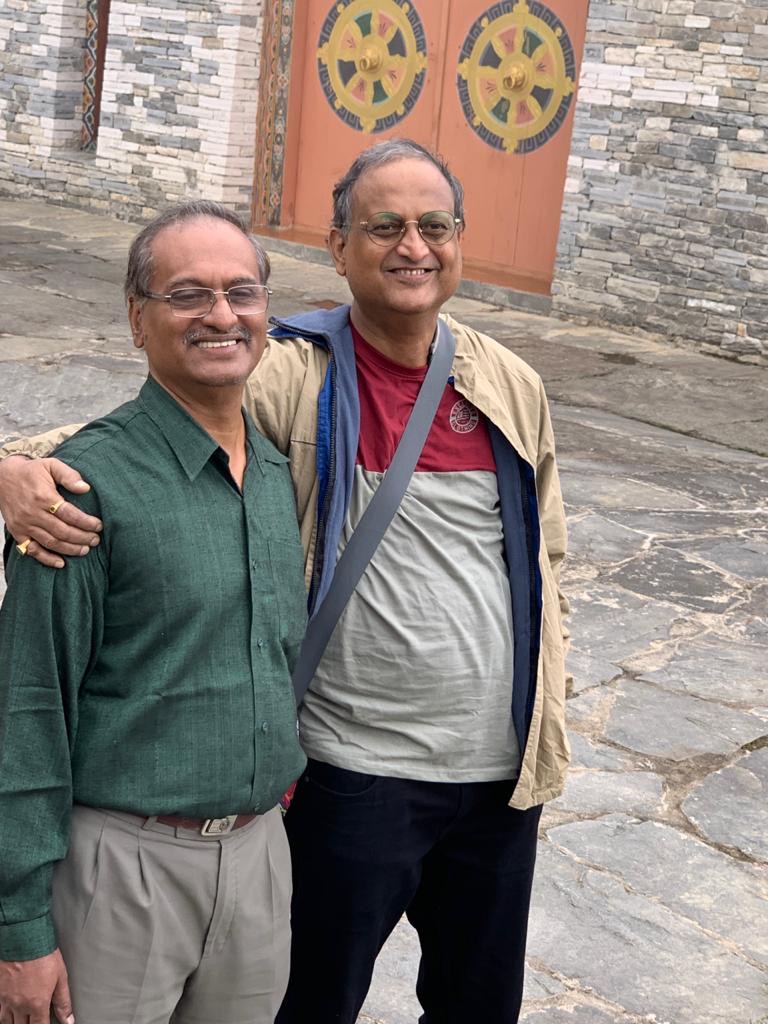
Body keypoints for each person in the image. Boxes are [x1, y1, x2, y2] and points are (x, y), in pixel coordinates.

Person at [0, 139, 570, 1023]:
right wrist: (12, 467)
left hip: (498, 780)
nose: (413, 247)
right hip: (356, 773)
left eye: (434, 226)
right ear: (338, 248)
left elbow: (545, 560)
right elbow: (144, 433)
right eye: (384, 227)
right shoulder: (285, 370)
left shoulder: (509, 384)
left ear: (460, 239)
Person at [0, 201, 308, 1024]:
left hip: (257, 862)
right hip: (120, 871)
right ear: (138, 319)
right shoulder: (83, 490)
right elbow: (27, 708)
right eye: (188, 295)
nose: (221, 315)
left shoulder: (273, 473)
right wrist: (18, 926)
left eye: (241, 292)